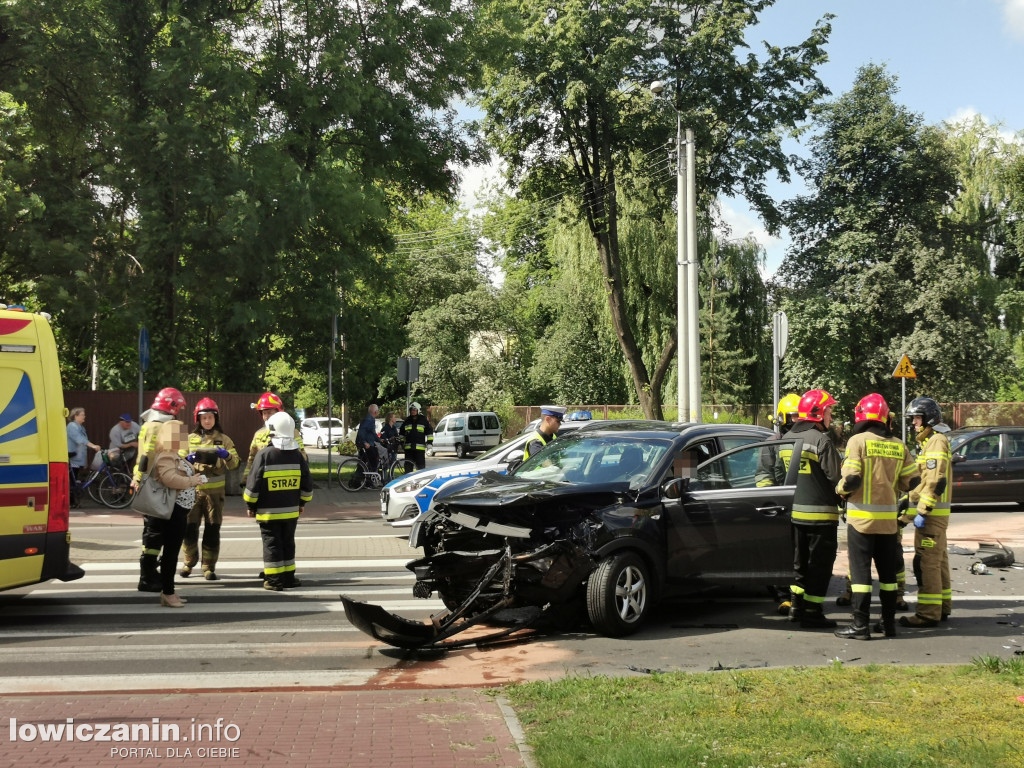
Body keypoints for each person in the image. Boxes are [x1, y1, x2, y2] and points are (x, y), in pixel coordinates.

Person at [833, 394, 919, 640]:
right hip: (888, 523)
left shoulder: (857, 441)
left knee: (860, 575)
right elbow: (913, 480)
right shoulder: (899, 445)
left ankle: (860, 627)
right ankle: (888, 625)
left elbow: (851, 479)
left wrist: (839, 490)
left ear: (861, 415)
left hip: (861, 521)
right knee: (888, 576)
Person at [784, 389, 843, 629]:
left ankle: (796, 608)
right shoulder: (821, 440)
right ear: (818, 413)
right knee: (820, 567)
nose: (831, 414)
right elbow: (837, 478)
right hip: (821, 517)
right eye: (829, 409)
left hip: (795, 515)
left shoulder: (788, 437)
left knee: (800, 565)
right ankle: (813, 613)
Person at [244, 412, 313, 591]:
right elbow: (307, 483)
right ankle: (288, 577)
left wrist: (250, 505)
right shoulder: (297, 455)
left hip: (268, 513)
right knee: (288, 542)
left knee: (272, 544)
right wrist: (302, 503)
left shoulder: (264, 455)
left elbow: (253, 484)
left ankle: (274, 580)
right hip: (291, 511)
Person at [901, 396, 953, 628]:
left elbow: (934, 481)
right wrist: (908, 505)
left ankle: (927, 613)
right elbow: (923, 482)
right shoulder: (931, 441)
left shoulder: (936, 442)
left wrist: (921, 511)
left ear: (929, 418)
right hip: (934, 515)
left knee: (927, 564)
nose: (914, 423)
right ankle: (942, 607)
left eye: (917, 418)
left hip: (931, 516)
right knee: (939, 561)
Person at [131, 387, 187, 592]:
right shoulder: (170, 425)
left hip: (147, 483)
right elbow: (182, 455)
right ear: (172, 406)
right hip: (165, 486)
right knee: (164, 533)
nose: (179, 411)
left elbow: (144, 457)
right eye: (178, 407)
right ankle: (151, 577)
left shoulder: (148, 424)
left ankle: (147, 573)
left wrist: (137, 477)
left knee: (151, 531)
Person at [147, 419, 208, 607]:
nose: (183, 436)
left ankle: (169, 591)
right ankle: (168, 592)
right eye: (179, 433)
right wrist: (192, 481)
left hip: (177, 510)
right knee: (171, 553)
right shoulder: (166, 455)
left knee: (172, 552)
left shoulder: (173, 454)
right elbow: (169, 479)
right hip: (172, 511)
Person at [181, 397, 240, 581]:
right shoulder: (188, 439)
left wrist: (227, 455)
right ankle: (188, 563)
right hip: (192, 494)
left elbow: (235, 464)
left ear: (216, 418)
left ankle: (208, 567)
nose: (207, 421)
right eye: (204, 417)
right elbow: (177, 465)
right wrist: (186, 461)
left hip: (215, 496)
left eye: (210, 417)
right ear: (198, 419)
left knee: (212, 531)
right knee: (189, 530)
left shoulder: (224, 440)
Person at [242, 391, 306, 485]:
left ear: (279, 412)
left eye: (269, 412)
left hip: (286, 482)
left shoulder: (292, 432)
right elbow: (252, 459)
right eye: (264, 413)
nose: (267, 416)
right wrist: (246, 480)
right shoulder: (258, 434)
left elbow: (302, 457)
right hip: (263, 483)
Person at [756, 393, 800, 488]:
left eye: (801, 415)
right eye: (795, 415)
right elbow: (764, 476)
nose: (799, 419)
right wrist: (772, 499)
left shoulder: (809, 440)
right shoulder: (772, 444)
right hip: (783, 498)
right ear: (783, 418)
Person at [66, 407, 101, 480]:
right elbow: (80, 439)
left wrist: (92, 447)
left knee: (75, 478)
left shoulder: (80, 427)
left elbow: (84, 441)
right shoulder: (72, 426)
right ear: (76, 416)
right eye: (82, 415)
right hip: (73, 457)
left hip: (78, 457)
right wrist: (93, 446)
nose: (84, 416)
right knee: (72, 478)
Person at [401, 401, 434, 470]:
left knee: (420, 469)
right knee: (408, 469)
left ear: (418, 410)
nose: (412, 411)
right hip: (409, 450)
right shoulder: (407, 421)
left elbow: (429, 433)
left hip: (419, 451)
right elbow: (402, 433)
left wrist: (429, 444)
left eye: (414, 410)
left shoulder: (423, 420)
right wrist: (402, 443)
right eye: (411, 410)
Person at [356, 403, 387, 471]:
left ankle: (361, 479)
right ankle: (369, 479)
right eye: (378, 411)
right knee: (373, 462)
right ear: (375, 412)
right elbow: (361, 431)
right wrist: (364, 442)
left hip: (368, 443)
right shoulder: (369, 419)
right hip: (367, 444)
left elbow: (372, 433)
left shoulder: (369, 418)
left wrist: (379, 439)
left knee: (364, 463)